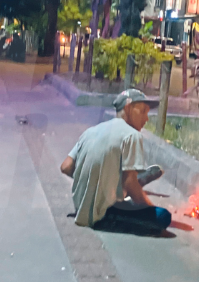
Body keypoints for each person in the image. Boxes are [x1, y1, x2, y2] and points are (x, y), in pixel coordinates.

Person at [60, 89, 172, 235]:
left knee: (123, 180)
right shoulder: (132, 135)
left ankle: (125, 182)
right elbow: (129, 183)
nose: (147, 118)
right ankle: (136, 181)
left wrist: (93, 181)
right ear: (128, 107)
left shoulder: (92, 131)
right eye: (143, 111)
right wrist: (149, 207)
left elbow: (66, 166)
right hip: (103, 214)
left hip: (80, 205)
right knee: (163, 216)